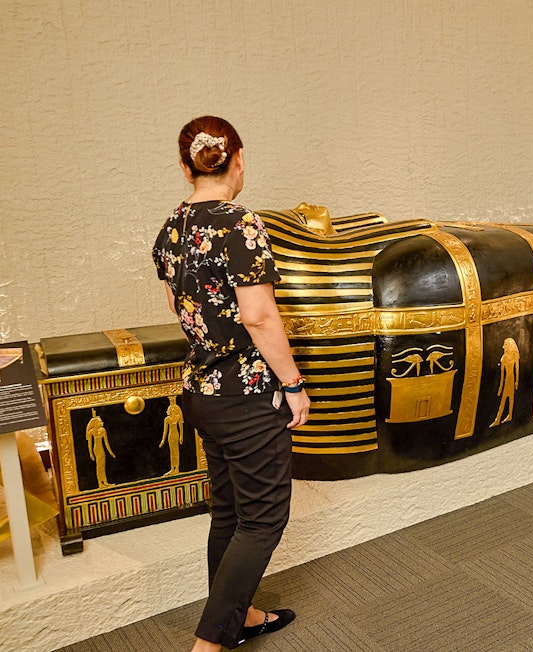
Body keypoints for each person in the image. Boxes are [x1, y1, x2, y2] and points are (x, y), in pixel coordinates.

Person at [152, 116, 310, 650]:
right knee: (264, 519)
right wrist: (292, 384)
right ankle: (209, 644)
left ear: (185, 168)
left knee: (231, 510)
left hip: (202, 391)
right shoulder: (241, 223)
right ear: (237, 158)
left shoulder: (172, 227)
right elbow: (259, 315)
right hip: (246, 397)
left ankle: (237, 618)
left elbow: (179, 306)